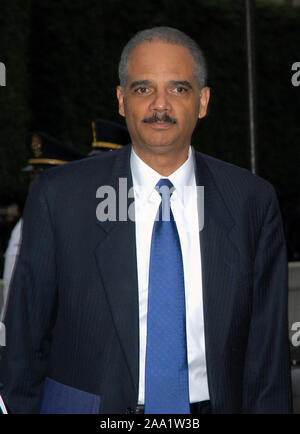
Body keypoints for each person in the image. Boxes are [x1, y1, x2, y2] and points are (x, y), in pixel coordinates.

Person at [0, 26, 292, 414]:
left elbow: (267, 356)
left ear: (203, 102)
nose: (159, 105)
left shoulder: (251, 202)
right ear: (121, 101)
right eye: (142, 89)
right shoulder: (60, 197)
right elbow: (25, 339)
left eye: (178, 89)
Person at [0, 132, 85, 319]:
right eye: (34, 178)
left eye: (41, 178)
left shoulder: (79, 223)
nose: (35, 185)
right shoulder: (29, 223)